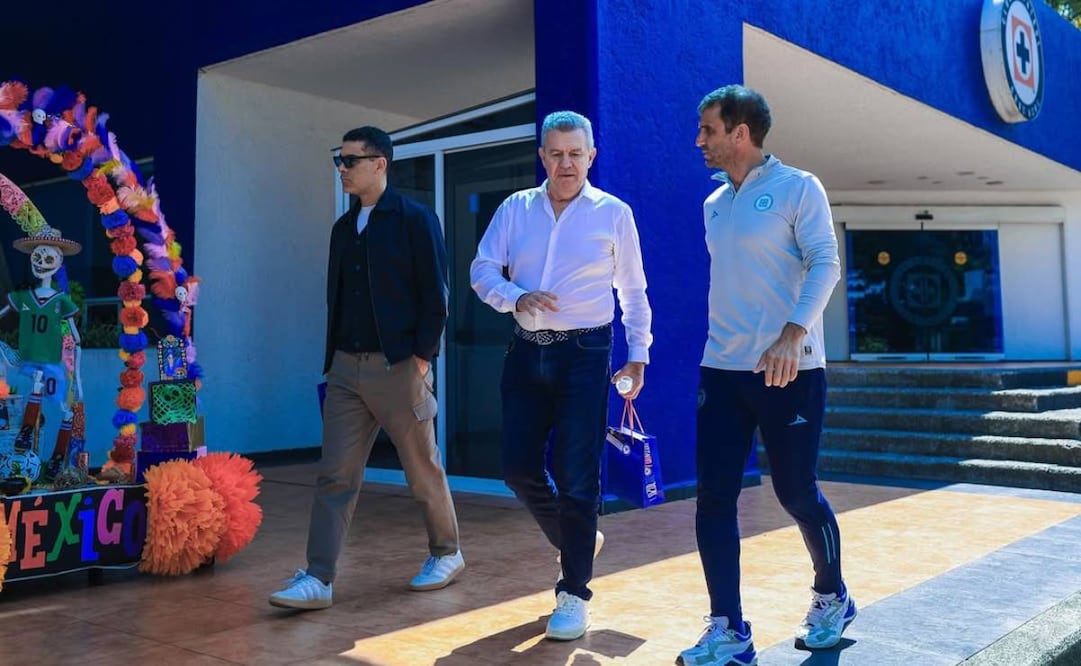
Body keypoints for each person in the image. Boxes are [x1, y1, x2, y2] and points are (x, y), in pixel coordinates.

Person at [677, 85, 855, 666]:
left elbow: (826, 261)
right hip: (722, 369)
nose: (699, 140)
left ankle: (831, 593)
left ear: (740, 133)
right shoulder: (714, 202)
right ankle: (728, 627)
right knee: (712, 498)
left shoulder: (799, 187)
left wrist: (793, 332)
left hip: (790, 368)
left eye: (708, 129)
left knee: (795, 491)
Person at [470, 110, 653, 641]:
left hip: (585, 354)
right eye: (556, 153)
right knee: (517, 468)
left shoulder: (613, 213)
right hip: (526, 351)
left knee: (577, 476)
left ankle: (574, 593)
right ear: (542, 156)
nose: (566, 163)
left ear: (590, 156)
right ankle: (579, 538)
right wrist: (515, 296)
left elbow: (633, 290)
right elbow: (482, 269)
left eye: (575, 153)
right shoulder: (515, 208)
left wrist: (638, 355)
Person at [270, 126, 463, 610]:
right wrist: (333, 359)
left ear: (380, 164)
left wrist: (421, 359)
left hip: (399, 367)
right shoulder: (342, 229)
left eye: (351, 160)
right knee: (334, 474)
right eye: (340, 160)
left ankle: (447, 552)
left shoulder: (415, 219)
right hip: (344, 371)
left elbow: (436, 295)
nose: (342, 169)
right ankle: (319, 577)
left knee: (421, 467)